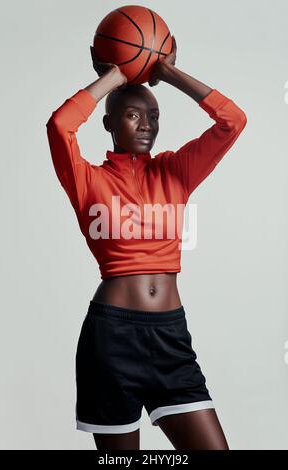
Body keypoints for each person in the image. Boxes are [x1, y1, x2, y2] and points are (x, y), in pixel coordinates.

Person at [46, 36, 247, 450]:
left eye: (153, 116)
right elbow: (60, 125)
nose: (146, 126)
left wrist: (165, 72)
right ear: (108, 123)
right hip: (111, 339)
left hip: (170, 336)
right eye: (132, 115)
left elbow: (232, 120)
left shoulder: (176, 170)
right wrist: (116, 75)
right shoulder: (89, 180)